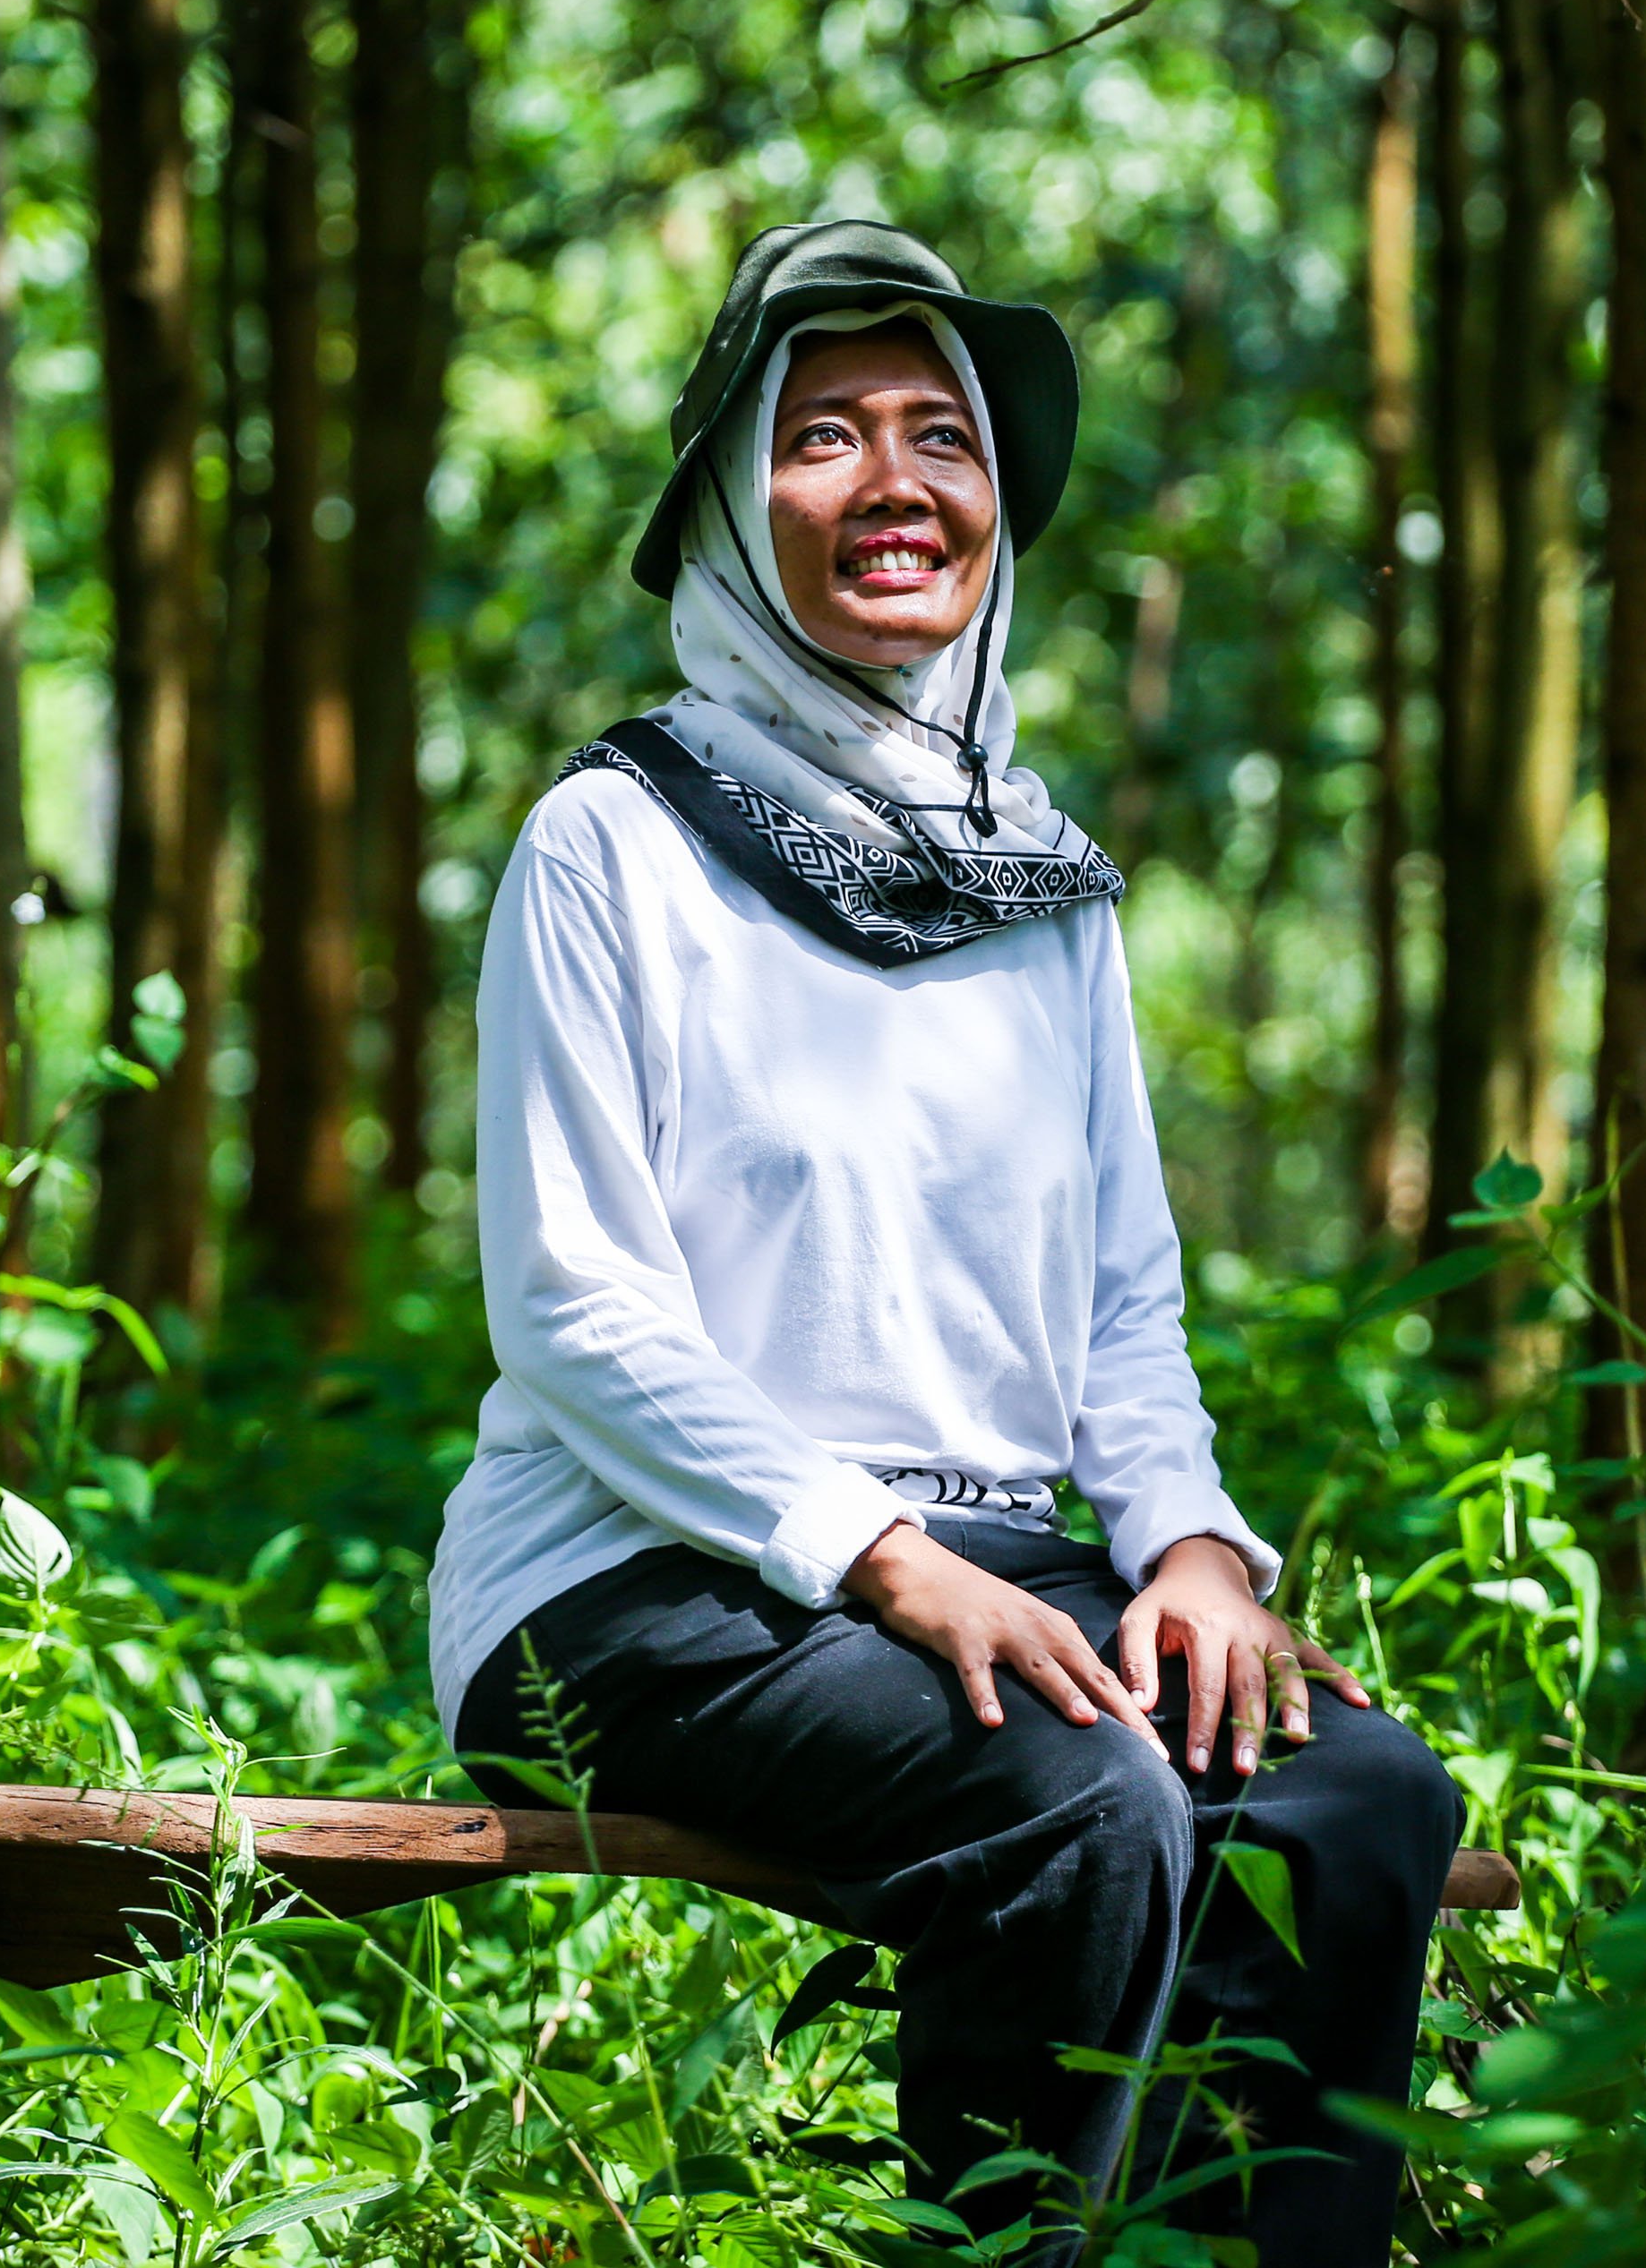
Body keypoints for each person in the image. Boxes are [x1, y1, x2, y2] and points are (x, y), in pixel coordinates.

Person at [432, 219, 1461, 2263]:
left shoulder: (1042, 881)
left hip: (988, 1572)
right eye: (823, 436)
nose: (894, 484)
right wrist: (887, 1564)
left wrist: (1182, 1550)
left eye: (940, 436)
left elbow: (1117, 1305)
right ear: (731, 502)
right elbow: (573, 1310)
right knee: (1086, 1799)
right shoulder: (610, 843)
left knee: (1361, 1803)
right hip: (643, 1580)